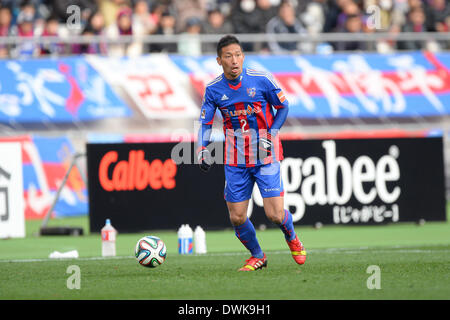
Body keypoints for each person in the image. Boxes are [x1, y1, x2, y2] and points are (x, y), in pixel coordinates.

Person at [196, 35, 306, 271]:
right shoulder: (214, 89)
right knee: (236, 217)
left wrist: (271, 133)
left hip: (266, 154)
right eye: (228, 56)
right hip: (235, 159)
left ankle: (292, 237)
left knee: (275, 215)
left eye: (238, 55)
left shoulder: (262, 80)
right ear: (219, 60)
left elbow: (283, 107)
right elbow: (205, 123)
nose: (234, 60)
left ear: (243, 57)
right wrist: (202, 149)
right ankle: (258, 255)